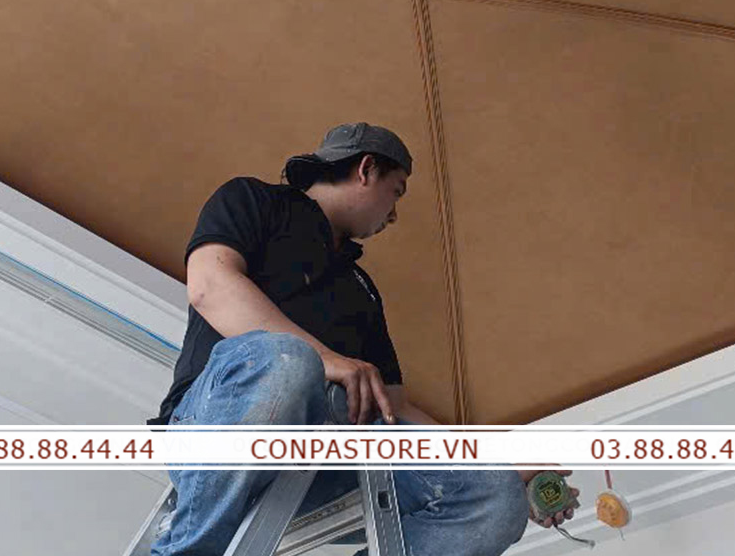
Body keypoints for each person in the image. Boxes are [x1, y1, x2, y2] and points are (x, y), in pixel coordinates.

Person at [150, 121, 578, 555]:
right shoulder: (255, 200)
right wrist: (327, 359)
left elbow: (396, 408)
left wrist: (497, 462)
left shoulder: (362, 291)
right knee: (287, 360)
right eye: (396, 191)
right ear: (366, 169)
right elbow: (209, 285)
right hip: (219, 425)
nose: (394, 214)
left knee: (495, 496)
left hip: (326, 465)